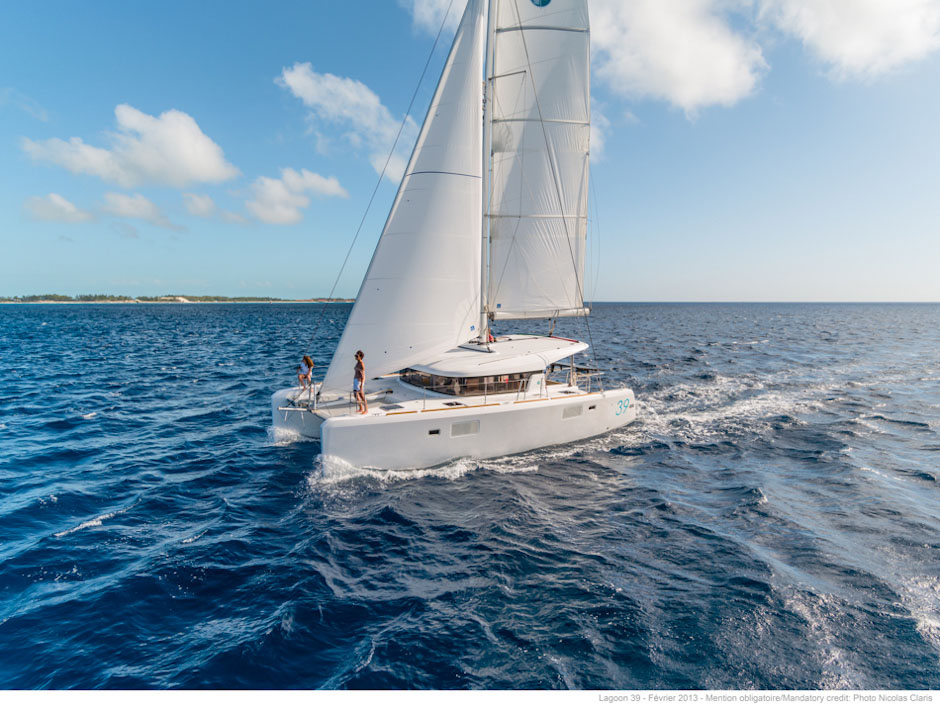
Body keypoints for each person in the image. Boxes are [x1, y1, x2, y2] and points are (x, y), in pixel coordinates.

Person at [353, 350, 368, 414]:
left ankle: (366, 409)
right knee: (355, 395)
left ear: (360, 357)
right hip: (356, 380)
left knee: (361, 395)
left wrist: (361, 385)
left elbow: (363, 376)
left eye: (357, 356)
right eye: (355, 355)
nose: (355, 357)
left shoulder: (361, 364)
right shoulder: (357, 363)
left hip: (359, 381)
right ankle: (361, 408)